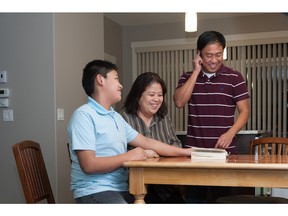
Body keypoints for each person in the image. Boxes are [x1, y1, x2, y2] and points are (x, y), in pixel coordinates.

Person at [67, 60, 192, 204]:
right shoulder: (84, 115)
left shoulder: (115, 117)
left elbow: (147, 142)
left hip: (123, 188)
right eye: (116, 79)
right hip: (96, 190)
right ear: (100, 80)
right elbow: (89, 165)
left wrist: (187, 152)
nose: (121, 85)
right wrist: (130, 155)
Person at [173, 30, 250, 203]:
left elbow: (245, 111)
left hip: (224, 154)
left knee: (224, 202)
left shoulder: (235, 77)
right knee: (195, 202)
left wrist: (230, 134)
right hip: (194, 154)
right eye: (209, 55)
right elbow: (179, 102)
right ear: (199, 54)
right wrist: (195, 72)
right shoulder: (187, 77)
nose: (214, 60)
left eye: (218, 55)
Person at [121, 72, 185, 203]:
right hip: (134, 187)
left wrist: (158, 153)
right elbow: (116, 153)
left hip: (165, 186)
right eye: (151, 95)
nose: (157, 99)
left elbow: (177, 145)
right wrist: (141, 154)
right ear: (138, 96)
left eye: (160, 95)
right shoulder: (124, 119)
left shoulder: (164, 119)